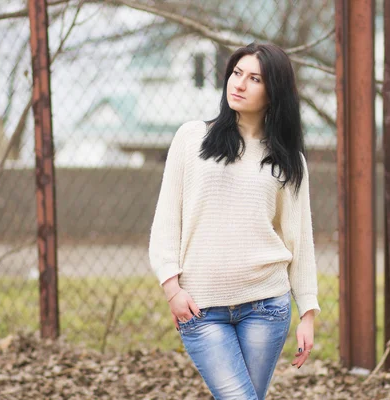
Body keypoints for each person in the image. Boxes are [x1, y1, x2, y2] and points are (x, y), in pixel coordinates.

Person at [148, 42, 320, 400]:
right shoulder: (192, 138)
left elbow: (299, 241)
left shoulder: (287, 161)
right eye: (236, 73)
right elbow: (166, 221)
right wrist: (172, 289)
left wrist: (308, 313)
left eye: (254, 78)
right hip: (200, 307)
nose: (239, 84)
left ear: (274, 93)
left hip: (266, 306)